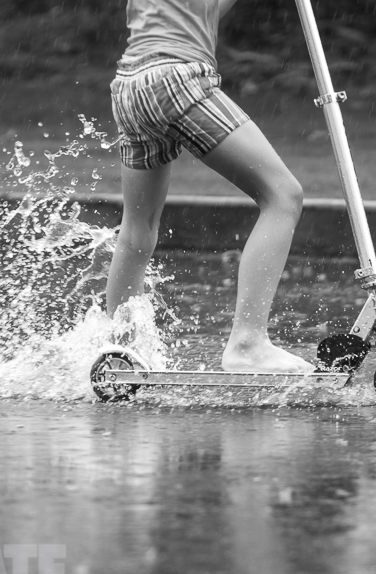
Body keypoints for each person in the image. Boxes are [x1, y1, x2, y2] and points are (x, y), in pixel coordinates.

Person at [107, 0, 314, 373]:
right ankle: (248, 344)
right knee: (283, 196)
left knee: (137, 233)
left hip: (129, 88)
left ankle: (120, 353)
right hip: (176, 82)